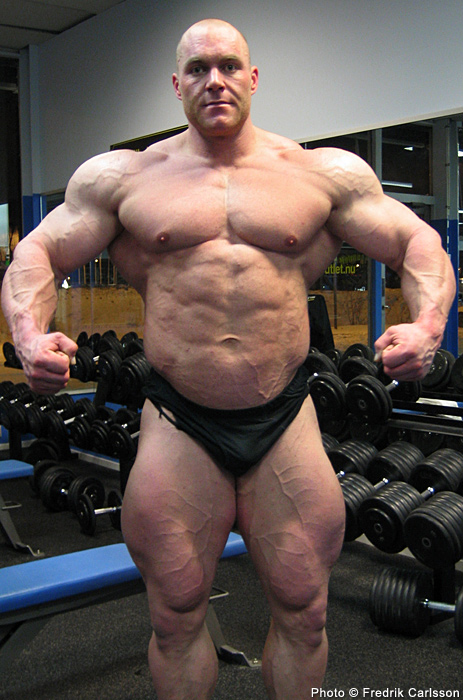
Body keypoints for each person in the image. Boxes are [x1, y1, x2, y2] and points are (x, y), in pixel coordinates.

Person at [1, 18, 455, 699]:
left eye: (228, 66)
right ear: (176, 83)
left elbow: (417, 244)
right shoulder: (123, 177)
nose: (214, 80)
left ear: (253, 77)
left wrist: (427, 327)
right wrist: (30, 336)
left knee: (305, 611)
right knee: (176, 614)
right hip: (178, 420)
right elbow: (38, 251)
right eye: (198, 68)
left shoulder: (320, 174)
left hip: (285, 416)